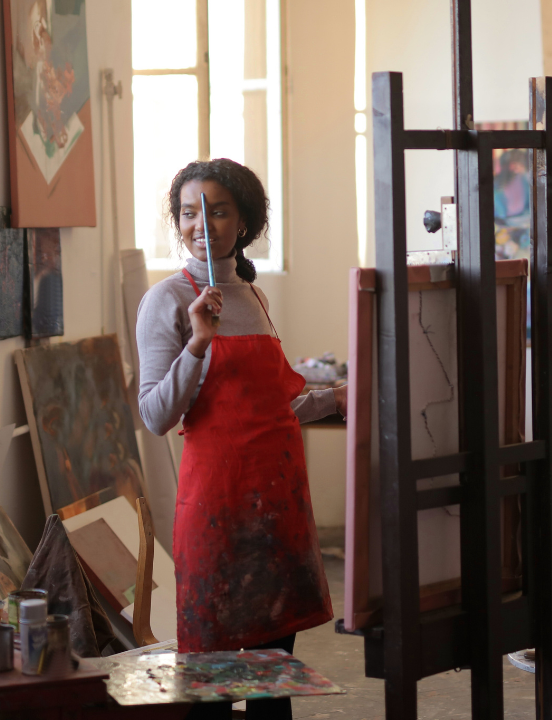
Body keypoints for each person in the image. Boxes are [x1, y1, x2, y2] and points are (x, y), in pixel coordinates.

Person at [137, 158, 342, 720]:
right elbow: (154, 415)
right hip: (217, 507)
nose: (200, 224)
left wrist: (339, 397)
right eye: (187, 212)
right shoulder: (166, 301)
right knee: (213, 681)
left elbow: (277, 405)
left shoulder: (254, 297)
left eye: (218, 210)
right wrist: (198, 342)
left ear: (244, 222)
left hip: (277, 505)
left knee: (274, 680)